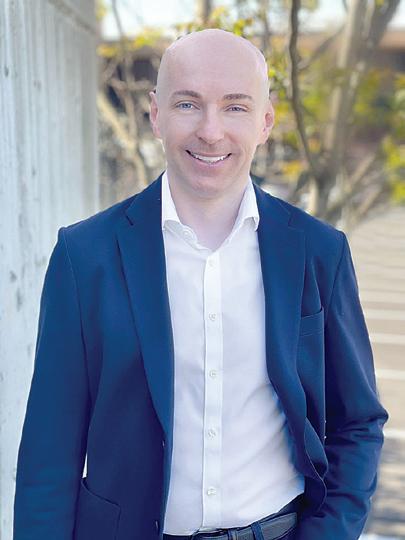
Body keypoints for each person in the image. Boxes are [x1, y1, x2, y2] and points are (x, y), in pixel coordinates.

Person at [13, 29, 388, 540]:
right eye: (188, 104)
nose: (211, 132)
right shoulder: (85, 256)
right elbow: (49, 453)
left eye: (235, 107)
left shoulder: (321, 252)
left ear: (265, 121)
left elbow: (358, 422)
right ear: (156, 114)